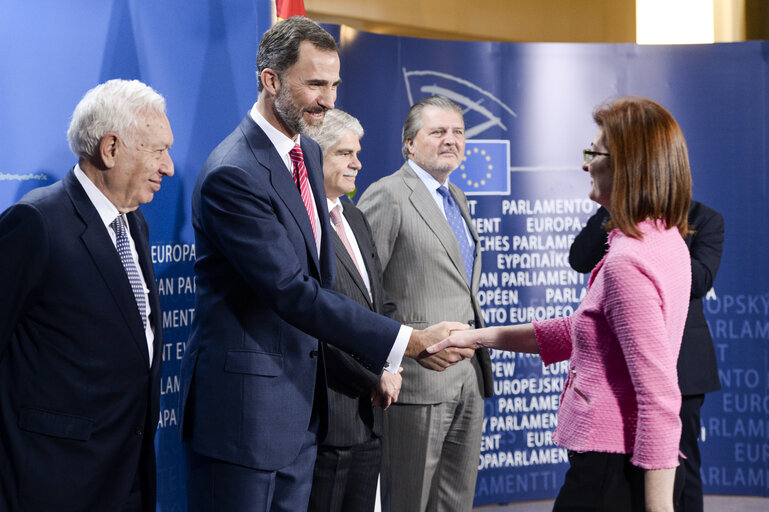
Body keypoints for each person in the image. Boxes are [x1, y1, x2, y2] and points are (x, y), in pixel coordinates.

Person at [179, 17, 470, 512]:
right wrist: (408, 341)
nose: (330, 99)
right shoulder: (233, 172)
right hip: (244, 421)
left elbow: (325, 281)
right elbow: (292, 290)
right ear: (271, 81)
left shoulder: (306, 154)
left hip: (302, 415)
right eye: (315, 84)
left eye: (335, 84)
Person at [429, 96, 693, 512]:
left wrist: (658, 507)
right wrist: (476, 336)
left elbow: (659, 396)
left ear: (628, 164)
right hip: (624, 466)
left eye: (595, 152)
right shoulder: (663, 238)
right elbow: (582, 331)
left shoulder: (629, 262)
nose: (586, 164)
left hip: (615, 473)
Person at [0, 79, 173, 511]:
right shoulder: (36, 223)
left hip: (127, 476)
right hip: (54, 484)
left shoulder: (134, 222)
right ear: (111, 149)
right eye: (157, 150)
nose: (168, 166)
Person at [357, 95, 494, 511]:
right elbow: (361, 290)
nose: (450, 140)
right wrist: (383, 366)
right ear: (409, 144)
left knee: (455, 502)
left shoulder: (458, 199)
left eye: (457, 132)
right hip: (415, 382)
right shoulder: (388, 195)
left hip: (468, 378)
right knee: (408, 502)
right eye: (437, 132)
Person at [569, 202, 724, 512]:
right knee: (619, 472)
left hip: (684, 366)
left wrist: (648, 247)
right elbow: (579, 258)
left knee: (683, 466)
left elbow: (702, 279)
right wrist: (615, 209)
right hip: (620, 367)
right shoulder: (616, 215)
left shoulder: (705, 218)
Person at [307, 108, 401, 511]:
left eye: (357, 152)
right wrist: (372, 375)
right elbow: (316, 319)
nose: (357, 163)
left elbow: (382, 303)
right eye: (344, 153)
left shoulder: (356, 217)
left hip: (372, 418)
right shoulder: (303, 223)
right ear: (314, 156)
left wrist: (393, 365)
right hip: (329, 416)